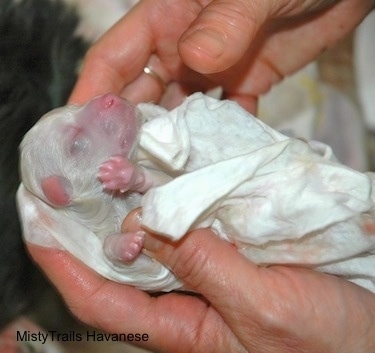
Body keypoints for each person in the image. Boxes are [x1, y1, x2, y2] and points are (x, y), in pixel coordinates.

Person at [28, 1, 375, 352]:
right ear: (63, 193)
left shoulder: (151, 148)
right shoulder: (88, 225)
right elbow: (110, 252)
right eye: (78, 143)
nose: (99, 104)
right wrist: (121, 246)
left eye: (75, 112)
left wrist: (139, 180)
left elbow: (179, 187)